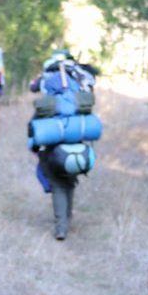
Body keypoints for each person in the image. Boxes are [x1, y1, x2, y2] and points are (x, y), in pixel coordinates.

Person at [29, 49, 100, 241]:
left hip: (54, 148)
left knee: (58, 184)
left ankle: (61, 227)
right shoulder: (79, 99)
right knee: (69, 180)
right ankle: (67, 218)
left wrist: (34, 147)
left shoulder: (49, 102)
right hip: (77, 145)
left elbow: (35, 129)